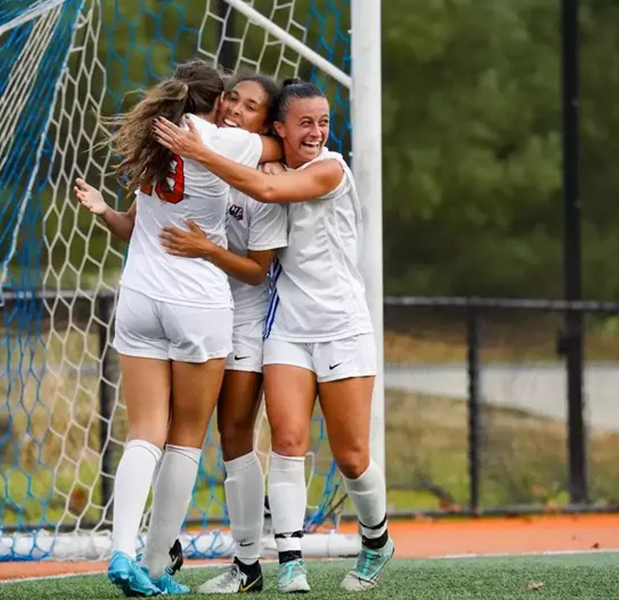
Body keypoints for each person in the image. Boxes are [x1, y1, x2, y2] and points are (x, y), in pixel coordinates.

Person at [153, 79, 394, 593]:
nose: (317, 132)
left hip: (342, 326)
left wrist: (200, 149)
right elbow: (255, 183)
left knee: (352, 457)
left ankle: (377, 540)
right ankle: (289, 561)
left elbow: (264, 190)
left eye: (323, 122)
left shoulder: (330, 169)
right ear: (280, 129)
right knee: (286, 442)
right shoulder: (267, 165)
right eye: (305, 122)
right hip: (285, 326)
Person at [74, 60, 280, 597]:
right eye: (230, 100)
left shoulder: (151, 138)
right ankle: (155, 569)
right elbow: (280, 150)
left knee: (144, 432)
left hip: (138, 298)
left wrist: (100, 207)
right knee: (185, 440)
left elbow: (139, 223)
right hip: (198, 302)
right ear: (216, 102)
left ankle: (120, 550)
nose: (236, 110)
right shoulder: (223, 141)